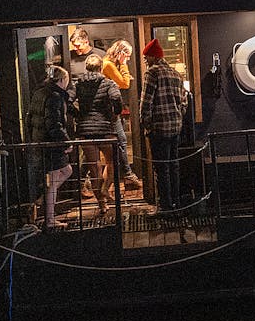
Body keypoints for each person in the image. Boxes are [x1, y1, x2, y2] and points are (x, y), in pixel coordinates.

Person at [139, 38, 185, 213]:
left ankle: (164, 206)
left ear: (153, 57)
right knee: (174, 166)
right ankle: (176, 203)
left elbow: (146, 103)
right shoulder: (176, 74)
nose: (145, 61)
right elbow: (183, 103)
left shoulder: (152, 73)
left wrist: (147, 125)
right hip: (175, 127)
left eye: (146, 57)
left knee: (161, 169)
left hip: (159, 128)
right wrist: (178, 119)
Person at [73, 54, 122, 215]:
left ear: (86, 68)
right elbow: (116, 98)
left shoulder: (78, 83)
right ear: (101, 68)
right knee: (112, 161)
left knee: (94, 167)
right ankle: (105, 189)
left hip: (86, 131)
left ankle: (101, 204)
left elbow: (67, 100)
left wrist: (77, 115)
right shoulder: (108, 83)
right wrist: (115, 114)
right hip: (105, 129)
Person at [34, 65, 74, 229]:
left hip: (41, 141)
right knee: (55, 178)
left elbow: (32, 118)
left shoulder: (39, 92)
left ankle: (43, 199)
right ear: (62, 79)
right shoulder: (55, 96)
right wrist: (66, 142)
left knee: (66, 171)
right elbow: (54, 124)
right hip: (52, 144)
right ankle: (49, 219)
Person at [101, 39, 143, 191]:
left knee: (117, 143)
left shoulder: (108, 64)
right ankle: (128, 174)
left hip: (109, 110)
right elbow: (125, 84)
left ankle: (126, 175)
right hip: (109, 111)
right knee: (120, 141)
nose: (129, 59)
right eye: (127, 55)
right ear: (121, 53)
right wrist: (124, 65)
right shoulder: (108, 65)